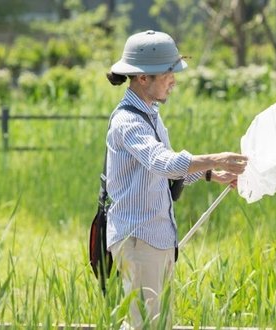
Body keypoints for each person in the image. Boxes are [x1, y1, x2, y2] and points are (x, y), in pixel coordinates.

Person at [102, 30, 248, 329]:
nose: (174, 81)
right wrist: (216, 157)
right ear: (143, 77)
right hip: (139, 239)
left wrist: (210, 174)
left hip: (156, 237)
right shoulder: (128, 121)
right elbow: (164, 162)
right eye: (169, 73)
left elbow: (161, 170)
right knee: (146, 324)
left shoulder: (150, 114)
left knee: (158, 323)